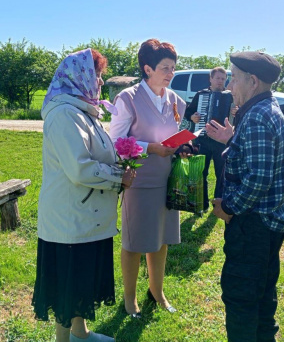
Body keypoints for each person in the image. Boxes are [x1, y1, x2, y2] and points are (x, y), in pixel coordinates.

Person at [32, 48, 135, 342]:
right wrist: (119, 177)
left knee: (80, 282)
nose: (101, 82)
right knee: (69, 284)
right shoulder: (65, 114)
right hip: (70, 219)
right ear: (80, 77)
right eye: (98, 76)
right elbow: (80, 169)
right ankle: (63, 339)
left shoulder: (81, 111)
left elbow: (98, 153)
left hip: (84, 215)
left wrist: (125, 160)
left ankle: (80, 333)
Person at [207, 51, 284, 342]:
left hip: (253, 226)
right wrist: (231, 139)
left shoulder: (257, 116)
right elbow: (257, 160)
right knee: (262, 298)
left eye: (234, 78)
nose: (229, 85)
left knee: (242, 300)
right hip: (267, 223)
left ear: (252, 81)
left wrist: (229, 207)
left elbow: (258, 178)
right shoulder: (265, 108)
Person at [109, 38, 186, 318]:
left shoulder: (175, 100)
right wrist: (150, 148)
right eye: (165, 67)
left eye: (173, 68)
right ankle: (129, 299)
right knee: (134, 242)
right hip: (139, 182)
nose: (170, 73)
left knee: (161, 239)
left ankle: (157, 291)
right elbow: (114, 141)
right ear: (147, 69)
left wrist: (182, 147)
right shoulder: (127, 98)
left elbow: (174, 135)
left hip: (168, 179)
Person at [183, 66, 230, 212]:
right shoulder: (201, 94)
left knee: (221, 175)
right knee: (201, 174)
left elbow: (236, 116)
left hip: (221, 143)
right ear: (211, 79)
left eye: (223, 79)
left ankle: (218, 204)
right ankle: (202, 204)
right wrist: (193, 117)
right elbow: (188, 112)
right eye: (217, 78)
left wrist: (236, 110)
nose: (220, 81)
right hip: (203, 140)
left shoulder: (230, 96)